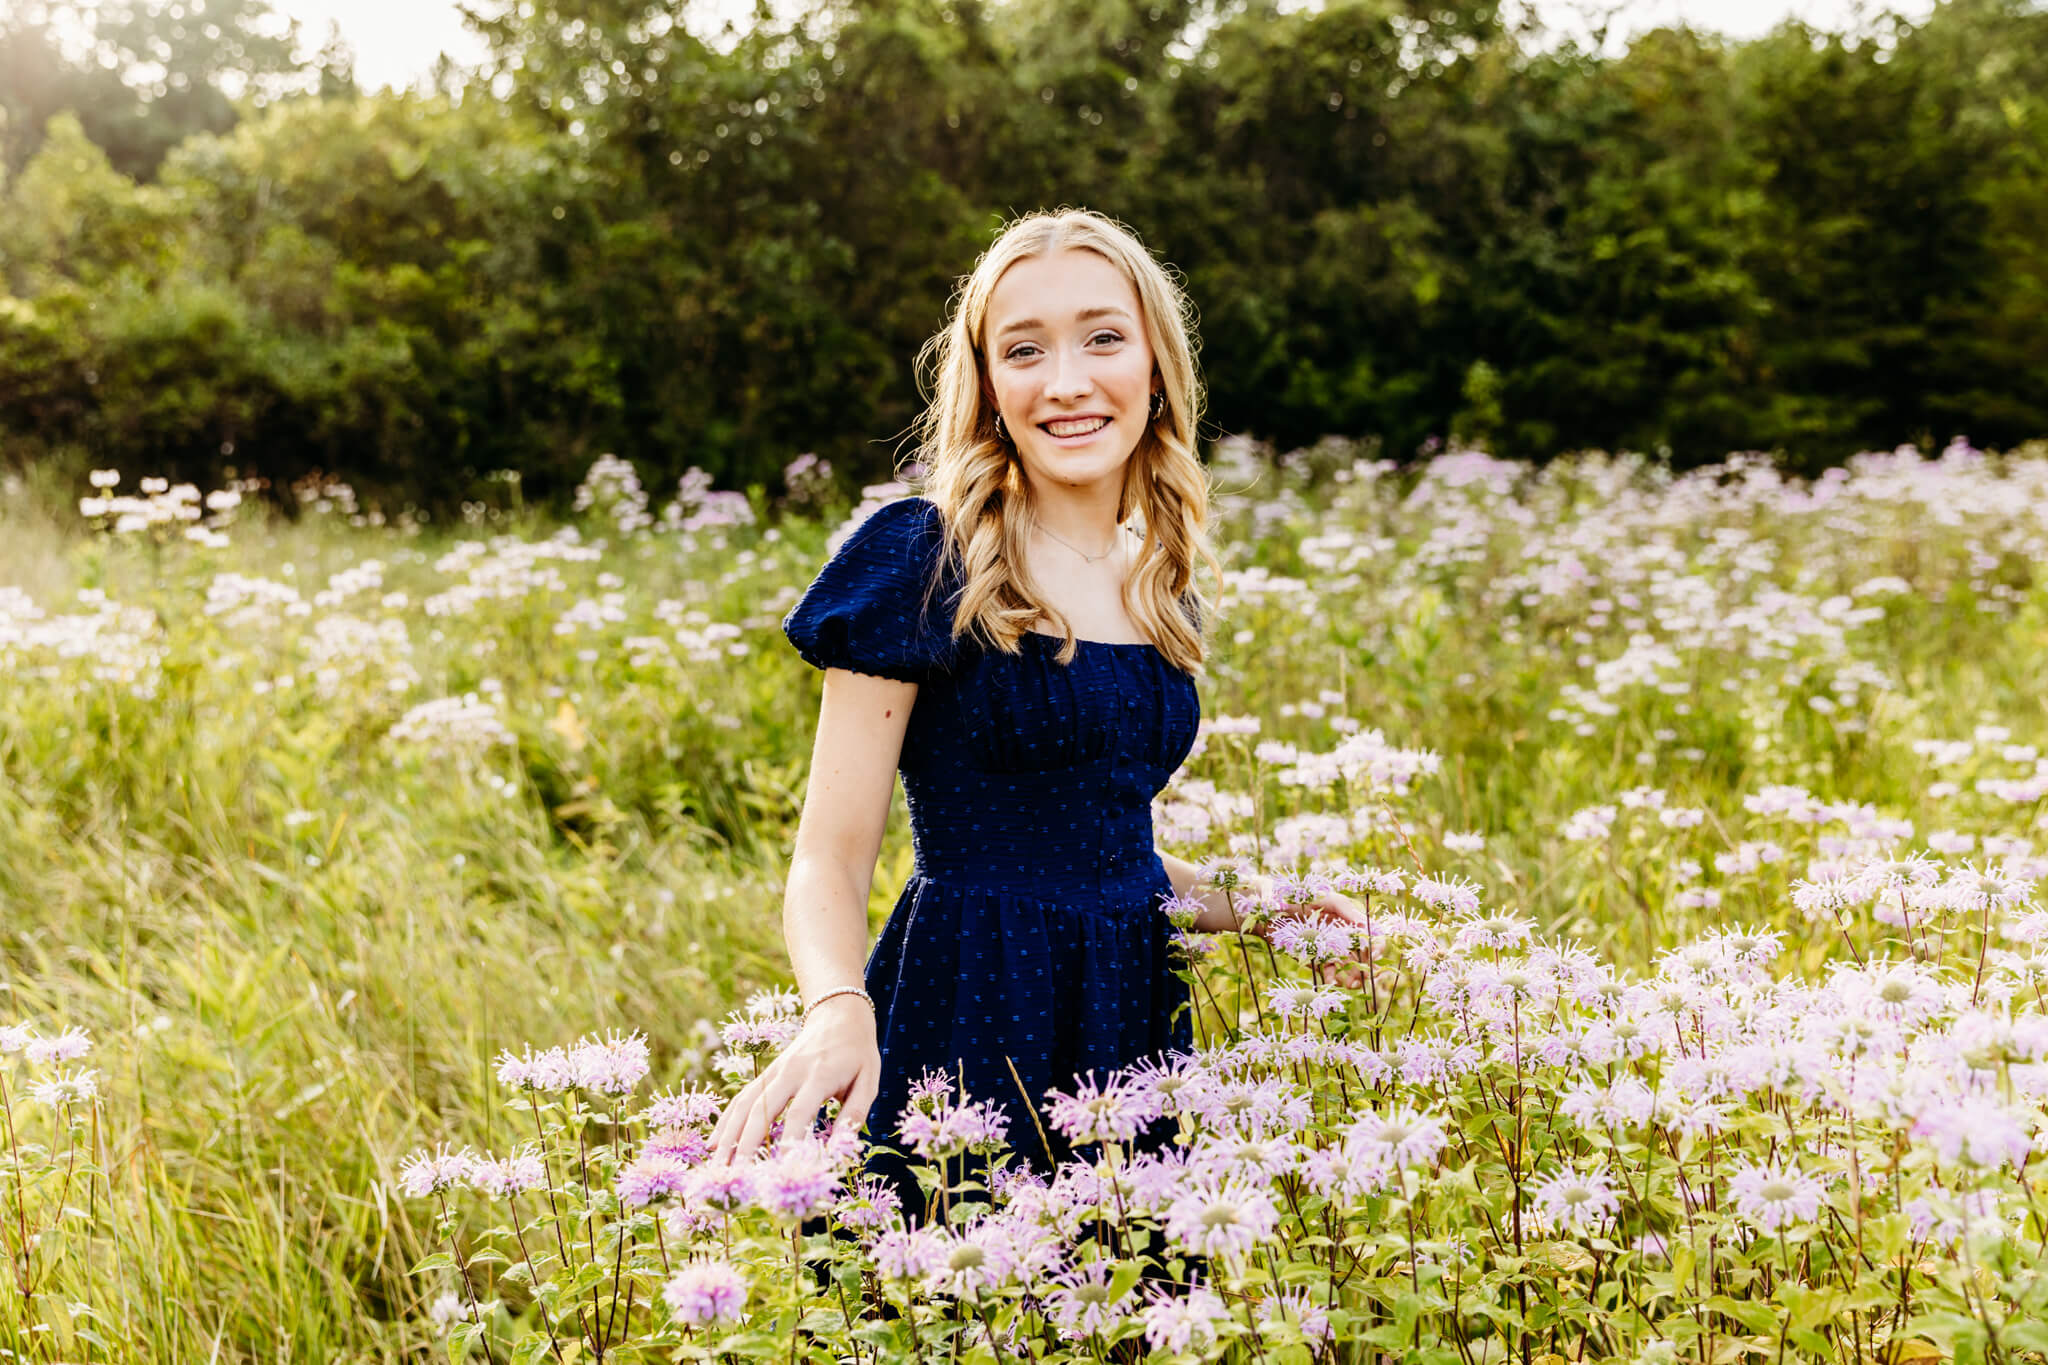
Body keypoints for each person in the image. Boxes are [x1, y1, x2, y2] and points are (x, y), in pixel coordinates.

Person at [705, 207, 1369, 1221]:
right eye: (1024, 349)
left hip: (1126, 1018)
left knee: (1113, 1303)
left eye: (1101, 337)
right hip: (969, 1004)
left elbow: (1105, 854)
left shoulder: (1155, 585)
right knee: (949, 1297)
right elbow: (827, 859)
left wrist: (1267, 904)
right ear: (989, 385)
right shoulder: (922, 560)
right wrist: (836, 1010)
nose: (1064, 380)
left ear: (1154, 367)